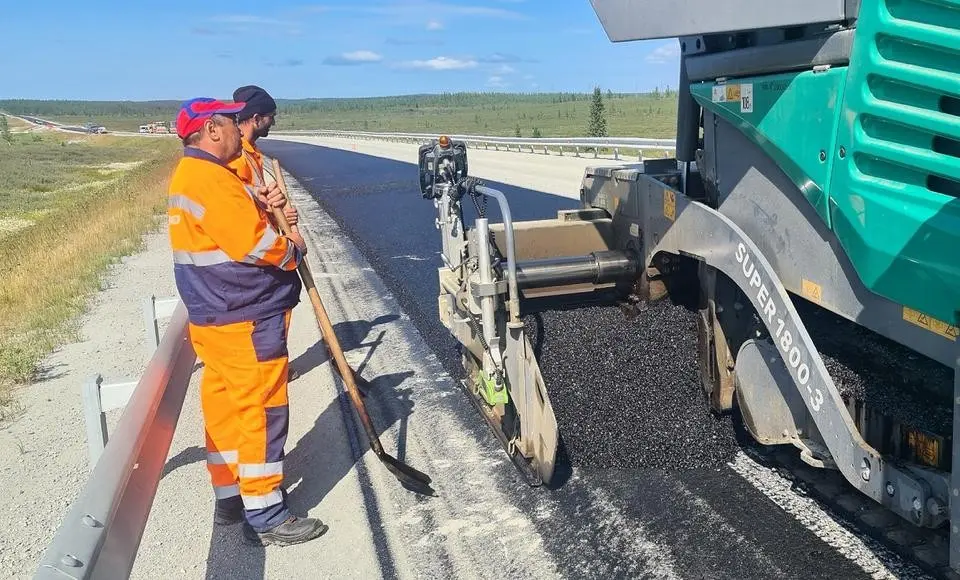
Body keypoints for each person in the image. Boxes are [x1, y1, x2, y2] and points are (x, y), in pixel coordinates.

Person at [167, 97, 327, 547]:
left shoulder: (194, 176)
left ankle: (230, 497)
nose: (241, 129)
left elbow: (226, 226)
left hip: (213, 315)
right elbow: (257, 246)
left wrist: (254, 198)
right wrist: (293, 246)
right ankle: (268, 513)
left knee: (225, 408)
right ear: (212, 130)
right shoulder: (212, 181)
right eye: (232, 122)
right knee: (261, 408)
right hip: (246, 316)